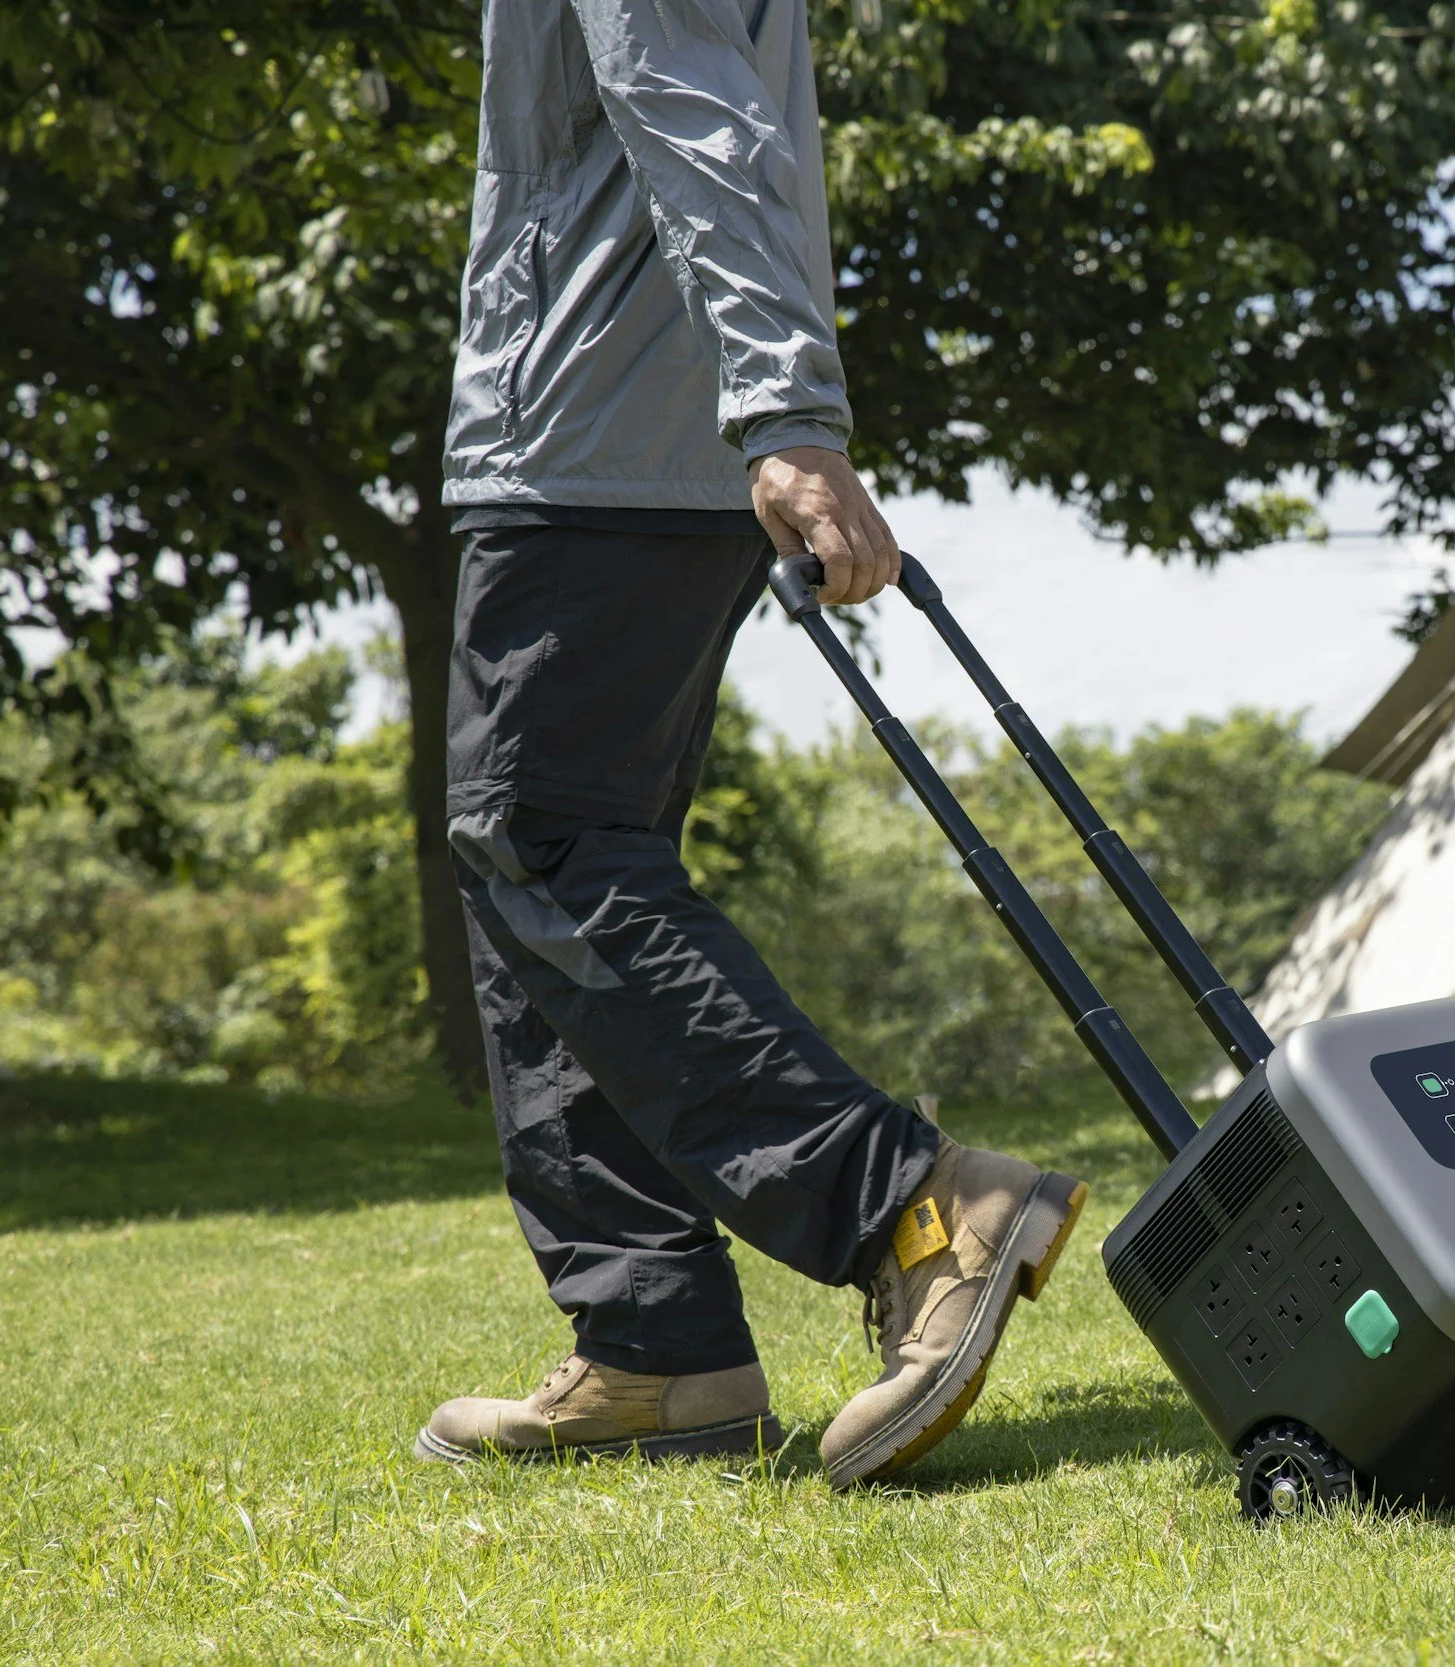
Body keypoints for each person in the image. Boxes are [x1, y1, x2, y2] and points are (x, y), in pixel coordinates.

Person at [411, 0, 1089, 1489]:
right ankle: (658, 1346)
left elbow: (692, 101)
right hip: (607, 428)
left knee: (541, 845)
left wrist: (785, 408)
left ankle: (913, 1207)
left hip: (595, 429)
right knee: (542, 885)